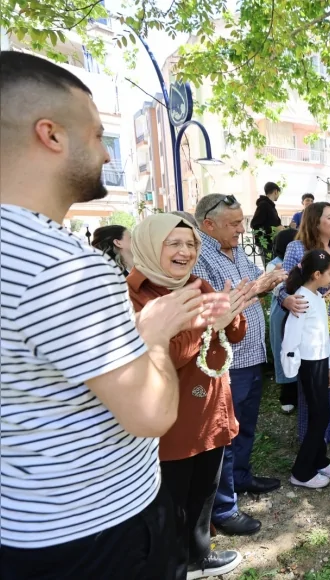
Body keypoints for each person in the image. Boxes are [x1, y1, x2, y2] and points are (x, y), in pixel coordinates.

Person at [0, 51, 227, 578]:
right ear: (50, 135)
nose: (107, 153)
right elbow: (150, 415)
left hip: (25, 521)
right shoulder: (65, 268)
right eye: (99, 135)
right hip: (96, 528)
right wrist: (152, 337)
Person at [127, 214, 255, 580]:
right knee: (169, 503)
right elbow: (160, 355)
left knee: (203, 493)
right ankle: (172, 567)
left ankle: (198, 557)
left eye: (191, 244)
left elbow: (233, 335)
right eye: (175, 243)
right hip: (170, 421)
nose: (186, 251)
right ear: (151, 246)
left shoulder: (198, 285)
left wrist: (231, 316)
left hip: (209, 408)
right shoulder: (133, 296)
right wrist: (203, 326)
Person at [193, 193, 287, 536]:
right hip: (224, 362)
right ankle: (223, 507)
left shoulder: (235, 250)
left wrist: (271, 281)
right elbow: (218, 306)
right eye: (234, 223)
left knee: (244, 423)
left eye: (242, 221)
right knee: (224, 435)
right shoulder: (199, 256)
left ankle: (241, 478)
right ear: (208, 224)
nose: (241, 228)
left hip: (250, 356)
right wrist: (260, 285)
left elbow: (252, 283)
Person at [278, 202, 330, 447]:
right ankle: (311, 436)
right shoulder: (296, 248)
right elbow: (283, 285)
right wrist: (287, 300)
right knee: (311, 386)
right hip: (309, 330)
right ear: (315, 222)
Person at [281, 249, 330, 489]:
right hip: (308, 364)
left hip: (319, 362)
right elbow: (291, 336)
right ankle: (301, 471)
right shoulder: (302, 299)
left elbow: (322, 335)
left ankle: (319, 459)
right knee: (320, 416)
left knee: (321, 413)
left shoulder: (317, 296)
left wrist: (329, 365)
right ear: (316, 274)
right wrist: (292, 365)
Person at [270, 224, 299, 413]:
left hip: (300, 311)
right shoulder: (274, 264)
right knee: (284, 351)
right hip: (282, 312)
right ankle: (287, 394)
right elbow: (275, 286)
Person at [250, 181, 284, 263]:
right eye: (279, 193)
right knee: (270, 269)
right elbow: (254, 225)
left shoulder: (270, 206)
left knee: (274, 268)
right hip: (266, 244)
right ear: (276, 191)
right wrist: (273, 230)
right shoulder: (264, 205)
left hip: (272, 243)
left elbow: (273, 224)